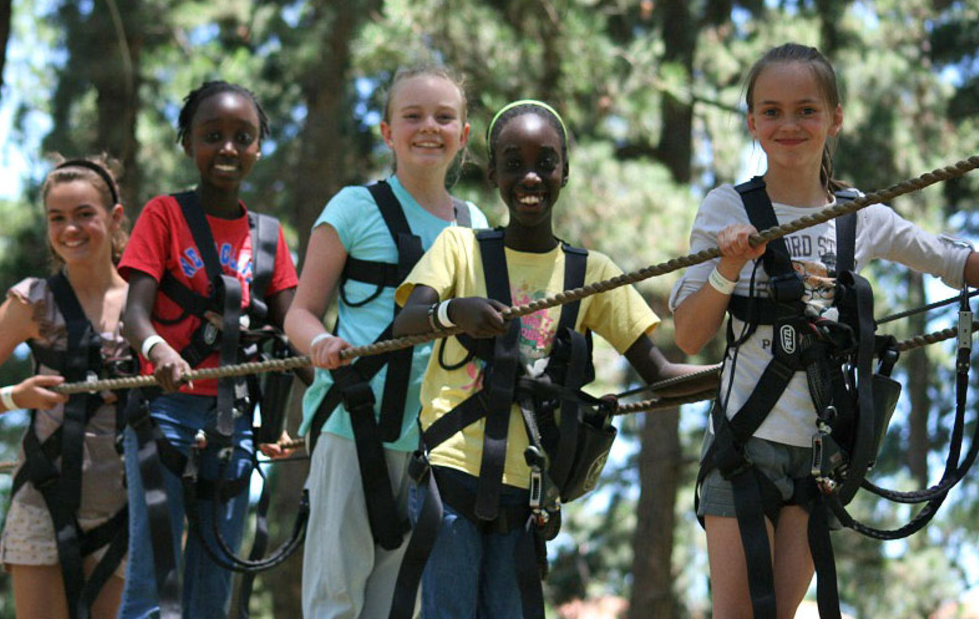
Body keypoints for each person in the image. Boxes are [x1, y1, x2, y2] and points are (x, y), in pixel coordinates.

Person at [671, 42, 979, 619]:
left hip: (821, 454)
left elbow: (948, 258)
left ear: (836, 118)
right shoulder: (726, 208)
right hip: (747, 448)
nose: (789, 124)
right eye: (772, 111)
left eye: (807, 110)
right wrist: (729, 266)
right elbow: (689, 335)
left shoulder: (861, 215)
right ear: (752, 123)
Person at [392, 100, 709, 619]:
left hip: (526, 493)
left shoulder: (593, 274)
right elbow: (406, 322)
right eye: (513, 163)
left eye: (546, 162)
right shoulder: (459, 248)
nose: (531, 177)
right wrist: (455, 311)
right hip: (449, 476)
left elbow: (660, 375)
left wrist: (738, 374)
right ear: (493, 172)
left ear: (565, 171)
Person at [283, 64, 488, 618]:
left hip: (433, 440)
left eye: (445, 117)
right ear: (387, 132)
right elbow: (300, 313)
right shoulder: (354, 208)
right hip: (355, 423)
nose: (429, 128)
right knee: (337, 592)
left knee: (400, 604)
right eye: (412, 115)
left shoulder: (476, 225)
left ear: (464, 135)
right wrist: (321, 342)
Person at [117, 80, 299, 618]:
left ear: (258, 147)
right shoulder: (164, 216)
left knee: (211, 593)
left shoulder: (267, 236)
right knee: (153, 587)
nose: (227, 148)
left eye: (242, 137)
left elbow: (295, 327)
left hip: (235, 419)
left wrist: (328, 368)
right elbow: (134, 313)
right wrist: (158, 351)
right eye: (212, 135)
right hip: (164, 412)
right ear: (188, 143)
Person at [0, 156, 132, 619]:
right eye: (57, 218)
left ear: (115, 217)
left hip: (125, 507)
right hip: (45, 502)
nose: (70, 230)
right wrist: (13, 397)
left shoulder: (145, 303)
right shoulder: (33, 304)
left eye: (85, 214)